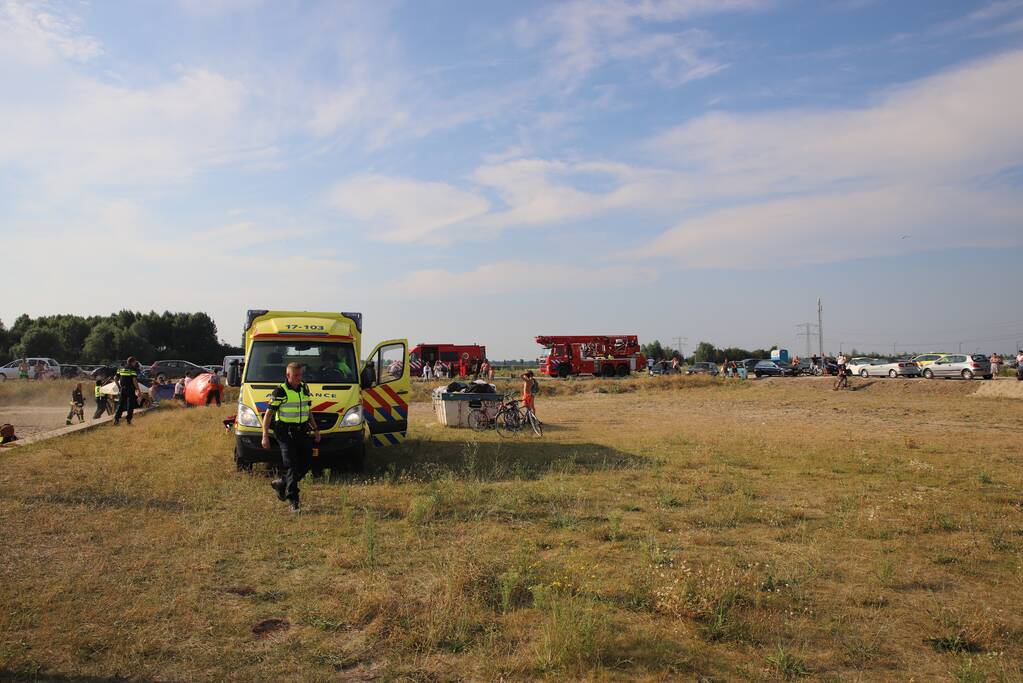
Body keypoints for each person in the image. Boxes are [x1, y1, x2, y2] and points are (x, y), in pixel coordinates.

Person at [261, 362, 320, 513]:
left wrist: (316, 429)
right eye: (296, 375)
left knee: (307, 463)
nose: (299, 378)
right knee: (292, 465)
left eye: (301, 375)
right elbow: (268, 415)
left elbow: (308, 410)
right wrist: (265, 435)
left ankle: (282, 483)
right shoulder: (280, 391)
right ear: (288, 375)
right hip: (285, 433)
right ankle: (294, 501)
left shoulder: (304, 388)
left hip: (302, 431)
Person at [114, 357, 141, 425]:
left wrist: (119, 387)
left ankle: (116, 419)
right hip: (130, 389)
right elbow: (134, 380)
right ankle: (128, 420)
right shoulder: (132, 369)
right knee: (130, 405)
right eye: (135, 362)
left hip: (123, 389)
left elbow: (115, 378)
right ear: (132, 362)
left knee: (121, 404)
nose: (135, 364)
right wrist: (138, 390)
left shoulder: (121, 368)